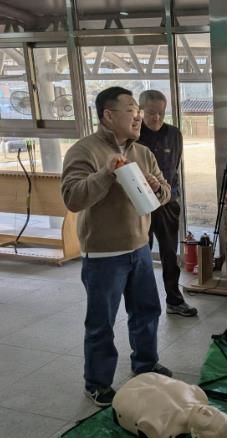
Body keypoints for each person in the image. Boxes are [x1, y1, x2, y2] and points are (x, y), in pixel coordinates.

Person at [61, 86, 173, 408]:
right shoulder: (84, 151)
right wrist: (106, 173)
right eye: (131, 110)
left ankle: (146, 364)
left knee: (146, 311)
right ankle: (97, 383)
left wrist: (157, 188)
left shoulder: (143, 152)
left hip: (139, 248)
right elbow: (73, 198)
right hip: (103, 255)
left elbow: (164, 193)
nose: (138, 116)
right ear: (108, 116)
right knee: (102, 323)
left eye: (138, 111)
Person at [138, 90, 198, 317]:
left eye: (161, 113)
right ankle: (143, 303)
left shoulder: (174, 134)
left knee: (170, 254)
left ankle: (174, 300)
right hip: (141, 205)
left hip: (167, 202)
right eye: (151, 113)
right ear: (141, 111)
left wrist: (172, 196)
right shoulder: (133, 136)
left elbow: (174, 167)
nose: (156, 118)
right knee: (142, 254)